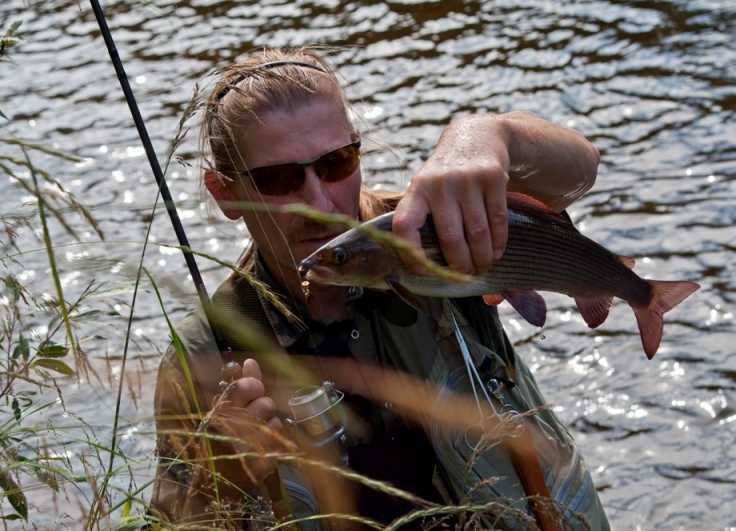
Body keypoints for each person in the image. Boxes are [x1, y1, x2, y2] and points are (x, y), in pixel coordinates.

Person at [150, 47, 609, 530]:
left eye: (336, 162)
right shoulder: (203, 353)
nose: (318, 200)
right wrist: (219, 474)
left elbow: (580, 172)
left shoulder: (435, 229)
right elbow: (170, 521)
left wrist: (493, 135)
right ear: (227, 193)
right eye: (278, 179)